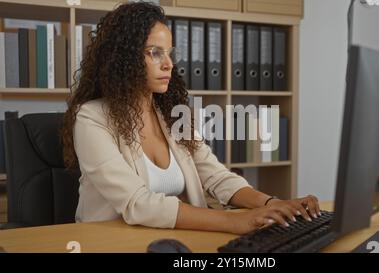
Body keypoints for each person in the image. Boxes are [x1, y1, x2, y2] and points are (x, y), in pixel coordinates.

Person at [62, 2, 321, 235]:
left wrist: (272, 203)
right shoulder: (91, 118)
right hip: (111, 242)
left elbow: (216, 177)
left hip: (169, 238)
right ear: (124, 57)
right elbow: (137, 203)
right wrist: (235, 222)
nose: (168, 64)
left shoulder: (172, 115)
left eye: (169, 53)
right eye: (154, 53)